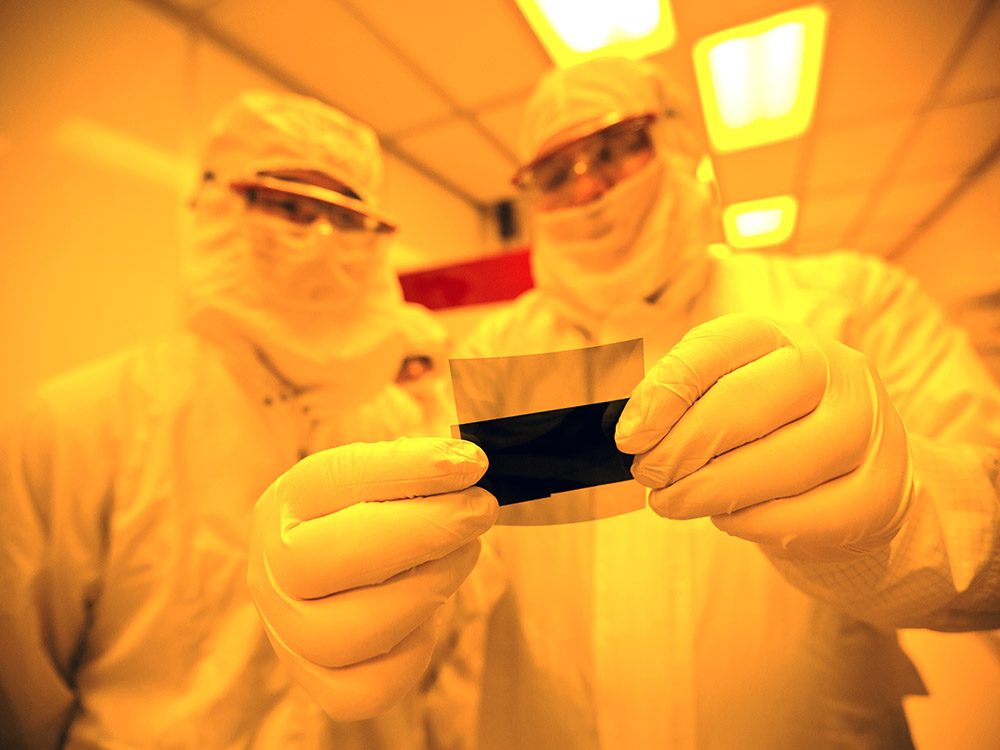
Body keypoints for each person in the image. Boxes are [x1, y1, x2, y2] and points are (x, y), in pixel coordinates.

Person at [247, 58, 1000, 749]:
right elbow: (445, 557)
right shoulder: (489, 356)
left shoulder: (852, 303)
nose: (585, 185)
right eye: (554, 172)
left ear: (674, 143)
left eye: (612, 150)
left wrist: (905, 502)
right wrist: (355, 587)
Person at [0, 91, 491, 750]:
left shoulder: (407, 437)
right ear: (214, 208)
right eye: (287, 204)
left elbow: (445, 651)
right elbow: (24, 692)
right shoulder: (81, 422)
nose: (317, 237)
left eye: (342, 215)